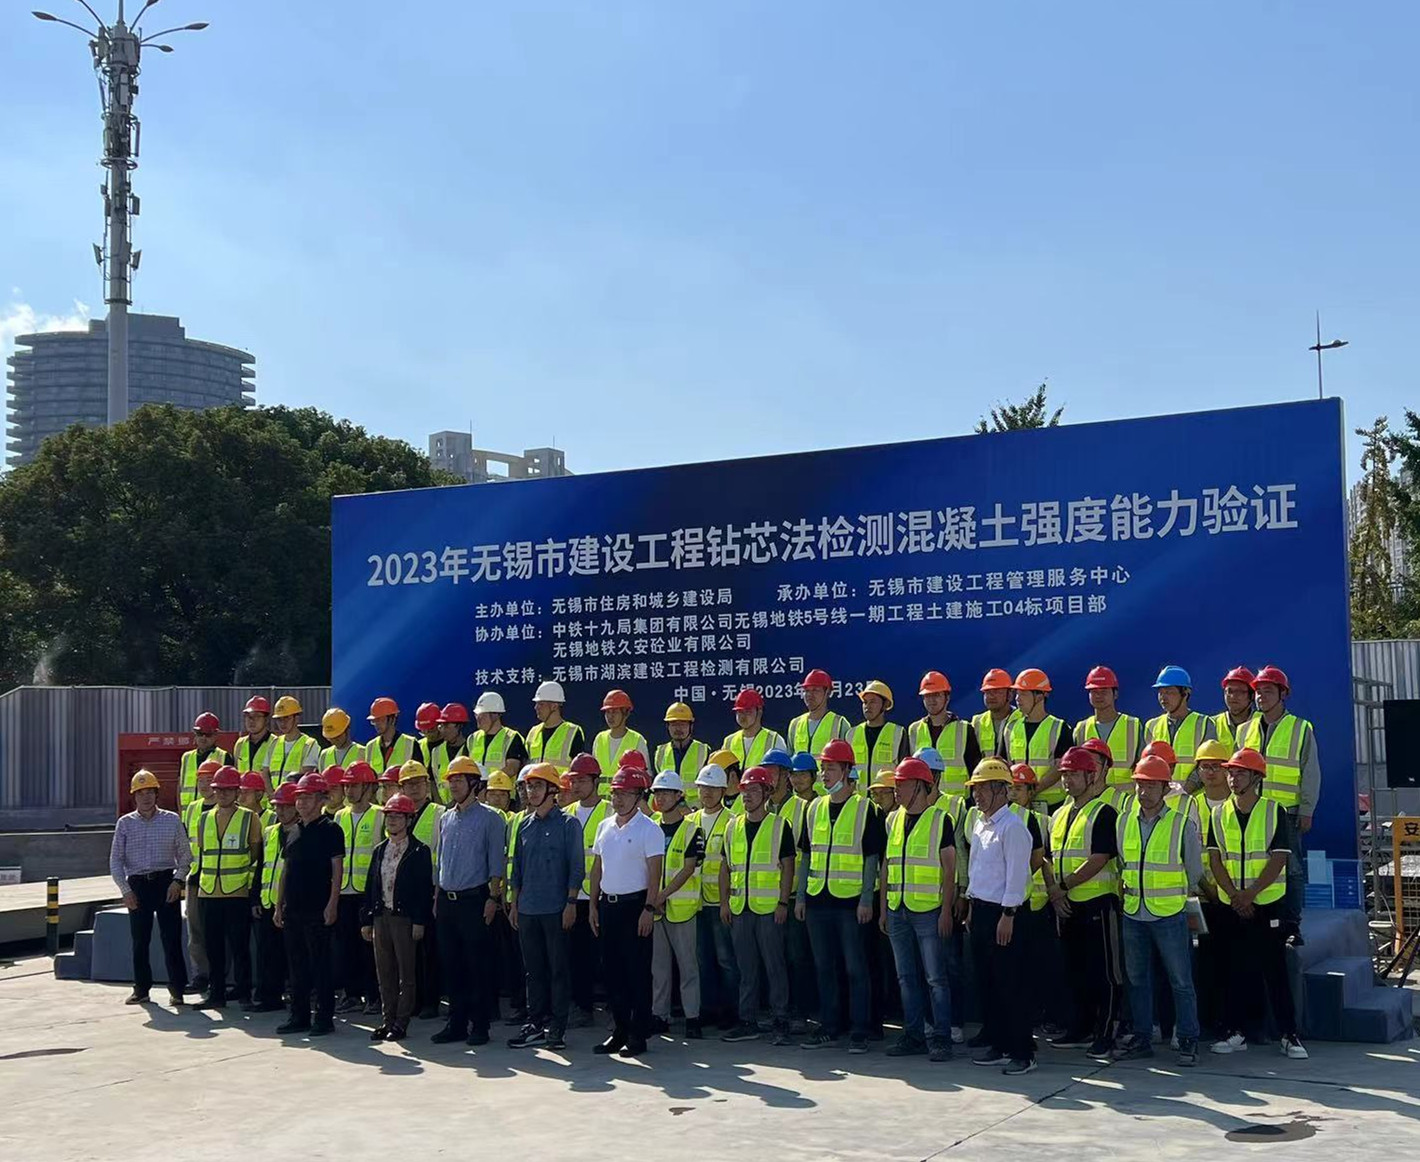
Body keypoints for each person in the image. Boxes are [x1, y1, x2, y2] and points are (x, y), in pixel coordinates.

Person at [1206, 747, 1307, 1059]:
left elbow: (1279, 859)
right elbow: (1215, 859)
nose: (1233, 778)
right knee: (1232, 970)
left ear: (1256, 778)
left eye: (1240, 773)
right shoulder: (1218, 814)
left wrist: (1249, 894)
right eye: (1231, 772)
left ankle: (1289, 1034)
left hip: (1266, 903)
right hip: (1231, 905)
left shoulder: (1274, 811)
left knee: (1275, 970)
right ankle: (1235, 1031)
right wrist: (1235, 896)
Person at [1112, 755, 1204, 1067]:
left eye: (1151, 785)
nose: (1144, 791)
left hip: (1169, 913)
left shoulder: (1181, 824)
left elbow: (1194, 871)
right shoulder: (1123, 821)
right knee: (1137, 980)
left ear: (1165, 788)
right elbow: (1122, 863)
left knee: (1181, 981)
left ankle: (1188, 1039)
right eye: (1140, 784)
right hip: (1133, 912)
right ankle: (1142, 1037)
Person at [798, 749, 883, 1053]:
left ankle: (860, 1029)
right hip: (818, 899)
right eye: (823, 768)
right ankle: (829, 1027)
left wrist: (866, 900)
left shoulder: (866, 808)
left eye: (831, 768)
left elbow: (872, 858)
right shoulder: (814, 808)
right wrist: (800, 896)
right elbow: (806, 856)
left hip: (850, 902)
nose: (824, 774)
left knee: (856, 968)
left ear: (847, 771)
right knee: (824, 967)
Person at [1046, 746, 1123, 1059]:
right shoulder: (1059, 814)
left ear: (1091, 777)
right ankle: (1080, 1028)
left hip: (1098, 903)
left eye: (1074, 774)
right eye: (1064, 774)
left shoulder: (1104, 812)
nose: (1067, 780)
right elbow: (1048, 858)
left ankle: (1106, 1033)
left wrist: (1062, 887)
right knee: (1075, 971)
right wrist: (1055, 892)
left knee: (1105, 973)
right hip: (1068, 906)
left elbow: (1099, 858)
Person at [963, 758, 1036, 1075]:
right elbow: (976, 869)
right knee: (988, 982)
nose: (976, 795)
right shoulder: (980, 824)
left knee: (1011, 984)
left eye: (982, 789)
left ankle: (1022, 1051)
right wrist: (970, 906)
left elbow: (1016, 876)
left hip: (1005, 914)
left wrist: (1008, 914)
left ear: (1000, 790)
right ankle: (999, 1043)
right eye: (975, 789)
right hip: (981, 909)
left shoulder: (1013, 827)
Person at [881, 756, 956, 1062]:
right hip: (897, 909)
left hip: (929, 911)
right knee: (905, 977)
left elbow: (950, 870)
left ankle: (942, 1038)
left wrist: (947, 910)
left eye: (903, 784)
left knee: (935, 978)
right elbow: (887, 865)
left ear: (921, 786)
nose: (896, 790)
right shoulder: (892, 819)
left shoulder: (940, 819)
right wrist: (884, 908)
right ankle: (913, 1035)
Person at [1238, 665, 1319, 946]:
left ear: (1283, 694)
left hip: (1287, 811)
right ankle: (1260, 917)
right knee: (1255, 864)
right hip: (1253, 809)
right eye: (1258, 691)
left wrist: (1306, 809)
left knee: (1292, 870)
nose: (1261, 696)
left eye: (1268, 691)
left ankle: (1291, 924)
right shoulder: (1245, 729)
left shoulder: (1300, 728)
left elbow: (1310, 772)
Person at [508, 762, 584, 1051]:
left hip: (556, 909)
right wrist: (514, 904)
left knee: (558, 970)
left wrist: (571, 903)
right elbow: (517, 869)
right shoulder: (524, 825)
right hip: (528, 909)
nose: (531, 791)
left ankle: (557, 1028)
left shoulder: (568, 824)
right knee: (533, 971)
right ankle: (536, 1023)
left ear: (553, 790)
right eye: (529, 786)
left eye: (538, 786)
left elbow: (576, 867)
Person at [432, 755, 507, 1046]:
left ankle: (480, 1025)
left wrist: (493, 897)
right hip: (447, 901)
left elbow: (496, 862)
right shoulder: (446, 818)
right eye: (451, 780)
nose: (453, 785)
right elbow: (441, 861)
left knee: (477, 965)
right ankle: (457, 1023)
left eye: (459, 780)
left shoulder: (491, 818)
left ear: (475, 784)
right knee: (452, 965)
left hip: (475, 900)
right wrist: (437, 897)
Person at [589, 768, 664, 1057]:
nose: (618, 799)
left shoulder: (649, 829)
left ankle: (638, 1033)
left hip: (636, 906)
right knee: (613, 972)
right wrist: (593, 904)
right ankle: (619, 1029)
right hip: (609, 905)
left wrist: (649, 908)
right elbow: (598, 868)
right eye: (615, 794)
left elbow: (655, 873)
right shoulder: (604, 826)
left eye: (625, 794)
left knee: (637, 973)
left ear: (639, 795)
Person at [719, 765, 795, 1044]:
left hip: (769, 909)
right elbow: (726, 867)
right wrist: (724, 903)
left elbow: (788, 866)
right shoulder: (732, 826)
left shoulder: (779, 825)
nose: (747, 795)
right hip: (741, 908)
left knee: (775, 966)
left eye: (753, 790)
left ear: (766, 793)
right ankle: (747, 1020)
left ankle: (781, 1020)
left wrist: (783, 902)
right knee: (746, 968)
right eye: (744, 790)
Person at [111, 770, 190, 1006]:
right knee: (140, 941)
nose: (145, 797)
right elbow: (116, 860)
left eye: (149, 792)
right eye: (140, 793)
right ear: (133, 796)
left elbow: (185, 855)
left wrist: (178, 881)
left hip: (166, 884)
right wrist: (125, 890)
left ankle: (177, 990)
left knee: (172, 939)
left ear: (157, 794)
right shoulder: (125, 824)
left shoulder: (172, 820)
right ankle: (141, 989)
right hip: (137, 886)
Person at [275, 772, 344, 1036]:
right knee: (296, 965)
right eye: (299, 798)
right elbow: (285, 870)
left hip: (318, 908)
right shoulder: (293, 831)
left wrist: (332, 903)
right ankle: (299, 1016)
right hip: (293, 909)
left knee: (320, 965)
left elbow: (337, 869)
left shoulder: (331, 830)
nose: (301, 803)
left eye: (307, 798)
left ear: (321, 800)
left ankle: (324, 1019)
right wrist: (279, 904)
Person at [361, 791, 433, 1042]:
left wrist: (419, 921)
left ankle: (401, 1022)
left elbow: (423, 889)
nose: (392, 820)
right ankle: (388, 1020)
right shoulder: (380, 850)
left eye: (398, 816)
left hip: (404, 919)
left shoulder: (419, 851)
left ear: (409, 820)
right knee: (385, 973)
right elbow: (371, 886)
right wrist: (367, 919)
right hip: (381, 917)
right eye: (389, 815)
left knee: (406, 974)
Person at [192, 765, 262, 1012]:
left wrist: (249, 889)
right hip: (208, 891)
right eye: (219, 789)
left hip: (237, 892)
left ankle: (243, 992)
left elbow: (255, 854)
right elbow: (203, 853)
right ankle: (216, 994)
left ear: (237, 792)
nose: (222, 794)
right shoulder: (204, 818)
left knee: (239, 947)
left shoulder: (249, 818)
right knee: (213, 948)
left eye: (228, 790)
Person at [648, 771, 705, 1037]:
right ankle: (659, 1015)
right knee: (658, 968)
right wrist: (652, 900)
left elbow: (689, 868)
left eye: (666, 793)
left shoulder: (692, 829)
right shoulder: (650, 826)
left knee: (688, 967)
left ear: (678, 796)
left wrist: (660, 896)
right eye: (657, 793)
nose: (660, 798)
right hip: (655, 910)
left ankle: (693, 1017)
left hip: (681, 909)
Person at [691, 763, 739, 1030]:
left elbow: (732, 864)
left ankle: (731, 1012)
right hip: (695, 903)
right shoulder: (691, 822)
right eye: (703, 788)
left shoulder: (733, 821)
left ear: (723, 790)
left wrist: (725, 902)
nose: (707, 793)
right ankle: (707, 1009)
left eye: (712, 788)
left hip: (721, 903)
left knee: (726, 960)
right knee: (702, 960)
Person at [334, 760, 384, 1015]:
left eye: (354, 786)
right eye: (347, 786)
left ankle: (375, 996)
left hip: (368, 892)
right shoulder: (339, 816)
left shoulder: (380, 815)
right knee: (347, 947)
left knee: (371, 950)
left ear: (368, 787)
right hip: (344, 891)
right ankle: (351, 995)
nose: (349, 791)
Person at [562, 751, 608, 1027]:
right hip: (573, 897)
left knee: (609, 956)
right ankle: (583, 1007)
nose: (576, 785)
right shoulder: (566, 814)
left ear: (595, 781)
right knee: (577, 956)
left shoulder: (610, 811)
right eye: (573, 780)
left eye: (581, 780)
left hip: (603, 896)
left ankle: (616, 1007)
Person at [1191, 739, 1233, 1035]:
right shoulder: (1191, 804)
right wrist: (1206, 889)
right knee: (1202, 965)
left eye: (1216, 766)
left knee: (1231, 963)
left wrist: (1226, 892)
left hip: (1232, 897)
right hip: (1202, 895)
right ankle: (1206, 1023)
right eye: (1205, 767)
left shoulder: (1238, 804)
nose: (1210, 772)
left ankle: (1230, 1023)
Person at [397, 760, 445, 1017]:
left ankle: (430, 1001)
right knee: (408, 951)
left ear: (427, 785)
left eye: (418, 783)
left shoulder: (439, 813)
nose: (413, 788)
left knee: (429, 950)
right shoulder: (398, 813)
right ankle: (412, 1000)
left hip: (431, 888)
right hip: (405, 891)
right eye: (408, 784)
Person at [251, 781, 296, 1014]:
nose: (281, 811)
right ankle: (269, 996)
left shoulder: (301, 832)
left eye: (286, 806)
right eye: (278, 806)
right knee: (267, 953)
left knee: (292, 954)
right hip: (268, 901)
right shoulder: (270, 832)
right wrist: (255, 899)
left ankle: (296, 996)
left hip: (292, 904)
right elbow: (262, 866)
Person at [908, 672, 981, 802]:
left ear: (947, 697)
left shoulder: (964, 729)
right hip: (923, 804)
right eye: (927, 696)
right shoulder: (914, 729)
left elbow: (975, 771)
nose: (931, 700)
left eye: (936, 695)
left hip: (956, 805)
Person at [1006, 669, 1071, 812]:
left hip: (1052, 805)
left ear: (1040, 696)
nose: (1017, 698)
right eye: (1017, 693)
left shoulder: (1059, 727)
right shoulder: (1011, 728)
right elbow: (1009, 764)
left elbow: (1060, 767)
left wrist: (1033, 790)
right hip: (1019, 804)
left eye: (1023, 694)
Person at [181, 759, 220, 996]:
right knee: (194, 931)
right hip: (196, 877)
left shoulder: (229, 809)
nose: (204, 785)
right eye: (201, 780)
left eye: (209, 780)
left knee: (217, 933)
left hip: (220, 880)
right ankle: (200, 975)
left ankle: (219, 976)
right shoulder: (193, 809)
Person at [1145, 666, 1217, 789]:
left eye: (1169, 692)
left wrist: (1186, 789)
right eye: (1160, 692)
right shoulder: (1151, 725)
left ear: (1185, 693)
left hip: (1193, 797)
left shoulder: (1204, 723)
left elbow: (1207, 763)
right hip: (1160, 796)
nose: (1163, 697)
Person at [1073, 666, 1143, 791]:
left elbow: (1143, 765)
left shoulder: (1133, 725)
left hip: (1123, 799)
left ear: (1115, 694)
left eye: (1104, 691)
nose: (1098, 696)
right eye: (1094, 692)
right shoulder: (1081, 729)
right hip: (1091, 798)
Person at [593, 689, 652, 796]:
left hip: (625, 801)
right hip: (601, 803)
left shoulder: (637, 739)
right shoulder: (599, 738)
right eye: (608, 712)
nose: (610, 716)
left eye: (615, 712)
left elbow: (645, 777)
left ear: (626, 713)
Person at [849, 681, 907, 784]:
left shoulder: (898, 733)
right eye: (865, 702)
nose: (867, 706)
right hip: (858, 795)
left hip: (886, 794)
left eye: (873, 702)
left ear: (885, 705)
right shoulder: (851, 734)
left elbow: (904, 772)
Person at [655, 702, 711, 806]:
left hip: (695, 810)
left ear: (691, 726)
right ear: (668, 726)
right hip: (668, 810)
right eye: (674, 724)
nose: (678, 728)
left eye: (683, 724)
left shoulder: (703, 751)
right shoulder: (660, 752)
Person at [787, 669, 851, 757]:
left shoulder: (840, 724)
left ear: (827, 692)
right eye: (806, 691)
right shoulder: (795, 724)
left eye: (815, 690)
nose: (809, 695)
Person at [527, 680, 586, 772]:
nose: (536, 707)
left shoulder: (572, 731)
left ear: (554, 706)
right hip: (536, 782)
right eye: (536, 704)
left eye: (541, 704)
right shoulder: (533, 732)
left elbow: (578, 768)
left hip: (561, 782)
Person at [722, 688, 786, 771]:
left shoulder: (774, 740)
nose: (742, 716)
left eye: (748, 712)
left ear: (759, 711)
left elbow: (782, 773)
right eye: (739, 712)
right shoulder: (729, 741)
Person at [469, 691, 528, 782]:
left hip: (501, 790)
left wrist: (488, 782)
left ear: (495, 715)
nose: (478, 718)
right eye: (476, 714)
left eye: (482, 714)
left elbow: (512, 769)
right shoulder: (472, 739)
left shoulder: (511, 737)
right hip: (477, 790)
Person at [179, 714, 231, 811]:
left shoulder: (224, 757)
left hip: (213, 812)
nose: (203, 738)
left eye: (208, 734)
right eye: (200, 733)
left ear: (216, 735)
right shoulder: (186, 757)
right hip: (190, 814)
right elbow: (179, 787)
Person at [268, 696, 320, 786]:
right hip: (275, 794)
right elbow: (265, 772)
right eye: (279, 719)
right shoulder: (274, 743)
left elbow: (307, 774)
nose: (282, 723)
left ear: (296, 718)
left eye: (286, 718)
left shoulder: (310, 744)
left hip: (296, 794)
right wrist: (271, 792)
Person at [972, 669, 1022, 759]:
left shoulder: (1022, 719)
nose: (991, 696)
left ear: (1010, 695)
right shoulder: (977, 722)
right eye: (987, 692)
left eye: (997, 691)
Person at [366, 696, 417, 777]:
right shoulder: (370, 747)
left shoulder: (410, 743)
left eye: (381, 719)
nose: (377, 724)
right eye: (374, 721)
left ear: (392, 719)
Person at [1214, 667, 1260, 753]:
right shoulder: (1213, 724)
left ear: (1252, 696)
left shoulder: (1263, 722)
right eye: (1229, 691)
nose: (1233, 696)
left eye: (1240, 691)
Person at [233, 696, 277, 785]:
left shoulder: (275, 743)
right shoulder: (240, 744)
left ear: (266, 720)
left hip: (266, 794)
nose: (251, 721)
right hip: (244, 793)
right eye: (248, 716)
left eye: (257, 716)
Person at [414, 702, 443, 768]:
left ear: (439, 724)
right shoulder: (418, 746)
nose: (427, 732)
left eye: (431, 729)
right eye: (423, 729)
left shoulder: (449, 746)